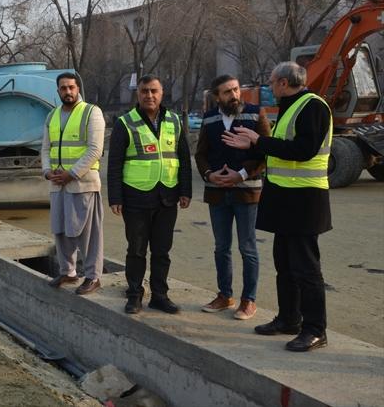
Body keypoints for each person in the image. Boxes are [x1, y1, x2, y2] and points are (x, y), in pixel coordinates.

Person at [223, 61, 332, 352]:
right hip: (285, 199)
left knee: (306, 268)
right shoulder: (290, 106)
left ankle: (315, 329)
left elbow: (304, 150)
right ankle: (289, 319)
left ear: (284, 82)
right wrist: (255, 145)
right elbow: (281, 147)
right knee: (284, 264)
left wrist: (259, 140)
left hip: (305, 201)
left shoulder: (313, 106)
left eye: (272, 82)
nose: (270, 87)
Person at [107, 75, 192, 315]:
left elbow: (184, 159)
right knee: (136, 250)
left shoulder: (174, 121)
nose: (149, 95)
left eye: (154, 91)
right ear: (138, 94)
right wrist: (115, 197)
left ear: (162, 93)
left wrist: (185, 191)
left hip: (167, 197)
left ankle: (159, 296)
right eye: (145, 91)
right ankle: (134, 294)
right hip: (136, 197)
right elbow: (114, 164)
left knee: (162, 251)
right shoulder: (126, 123)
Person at [195, 75, 271, 320]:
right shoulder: (210, 118)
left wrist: (241, 174)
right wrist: (209, 174)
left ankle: (248, 300)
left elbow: (265, 152)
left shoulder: (255, 114)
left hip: (247, 192)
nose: (234, 95)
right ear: (217, 96)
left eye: (236, 89)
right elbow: (201, 154)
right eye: (227, 92)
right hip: (217, 193)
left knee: (247, 247)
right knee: (221, 247)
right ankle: (224, 295)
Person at [42, 72, 106, 296]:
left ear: (78, 88)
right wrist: (47, 172)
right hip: (57, 184)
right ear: (58, 91)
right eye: (63, 88)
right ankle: (68, 272)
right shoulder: (52, 116)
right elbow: (45, 148)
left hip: (83, 184)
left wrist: (72, 174)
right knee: (60, 230)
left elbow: (95, 149)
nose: (67, 91)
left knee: (88, 234)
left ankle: (93, 276)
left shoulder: (91, 112)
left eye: (71, 87)